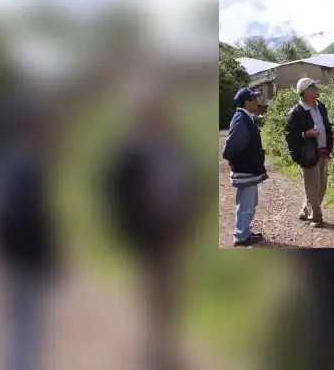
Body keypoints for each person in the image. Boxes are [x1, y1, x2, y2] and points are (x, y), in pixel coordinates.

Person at [103, 87, 205, 370]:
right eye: (152, 113)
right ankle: (154, 351)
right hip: (147, 234)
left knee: (171, 292)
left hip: (174, 230)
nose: (158, 118)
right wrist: (127, 230)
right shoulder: (130, 153)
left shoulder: (172, 146)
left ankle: (164, 346)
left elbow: (188, 184)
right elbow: (115, 195)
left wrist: (190, 219)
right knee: (153, 291)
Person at [0, 97, 60, 370]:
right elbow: (29, 217)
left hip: (9, 257)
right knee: (26, 330)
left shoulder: (3, 160)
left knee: (15, 328)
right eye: (41, 124)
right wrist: (46, 257)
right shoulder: (28, 164)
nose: (47, 129)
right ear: (28, 127)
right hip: (24, 261)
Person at [285, 78, 334, 228]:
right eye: (313, 87)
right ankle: (316, 217)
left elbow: (325, 124)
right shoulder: (296, 112)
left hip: (323, 152)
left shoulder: (321, 107)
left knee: (322, 187)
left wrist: (330, 131)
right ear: (304, 92)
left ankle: (306, 210)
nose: (317, 89)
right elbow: (289, 135)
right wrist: (306, 134)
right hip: (308, 155)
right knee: (313, 188)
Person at [222, 87, 268, 247]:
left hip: (249, 169)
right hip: (245, 169)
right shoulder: (242, 119)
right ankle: (241, 237)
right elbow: (231, 145)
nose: (257, 101)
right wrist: (231, 158)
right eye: (254, 99)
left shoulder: (245, 117)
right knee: (246, 204)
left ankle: (245, 232)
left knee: (250, 202)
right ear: (247, 102)